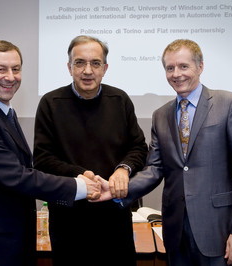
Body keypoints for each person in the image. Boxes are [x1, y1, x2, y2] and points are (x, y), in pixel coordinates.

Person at [95, 39, 232, 266]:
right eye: (170, 68)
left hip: (218, 230)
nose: (176, 74)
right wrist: (117, 190)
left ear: (200, 67)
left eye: (184, 66)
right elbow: (155, 168)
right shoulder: (161, 115)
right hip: (175, 231)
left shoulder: (228, 103)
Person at [0, 39, 101, 266]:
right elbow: (16, 176)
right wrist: (80, 187)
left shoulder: (2, 111)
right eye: (1, 69)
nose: (10, 76)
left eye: (16, 69)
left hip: (5, 242)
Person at [33, 35, 148, 266]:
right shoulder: (51, 103)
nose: (88, 70)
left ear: (105, 68)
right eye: (79, 63)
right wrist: (82, 175)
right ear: (69, 67)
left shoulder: (120, 100)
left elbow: (138, 147)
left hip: (114, 216)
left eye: (95, 63)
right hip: (68, 218)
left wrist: (123, 170)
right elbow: (43, 159)